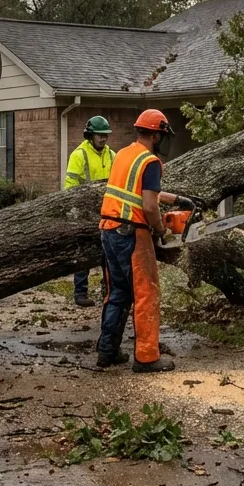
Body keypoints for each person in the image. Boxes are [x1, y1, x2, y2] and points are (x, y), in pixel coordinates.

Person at [97, 109, 195, 373]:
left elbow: (136, 192)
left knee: (118, 292)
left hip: (108, 229)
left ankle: (107, 352)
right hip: (132, 232)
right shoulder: (150, 162)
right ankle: (147, 357)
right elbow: (149, 205)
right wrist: (161, 229)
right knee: (146, 293)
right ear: (156, 135)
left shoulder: (124, 154)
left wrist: (177, 200)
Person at [63, 115, 115, 307]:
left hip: (107, 211)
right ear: (90, 135)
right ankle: (80, 292)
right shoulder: (79, 155)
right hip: (85, 212)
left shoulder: (112, 155)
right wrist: (75, 210)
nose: (103, 138)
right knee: (84, 253)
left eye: (105, 135)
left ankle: (107, 289)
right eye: (100, 135)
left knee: (108, 253)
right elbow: (70, 185)